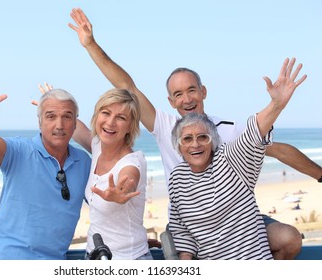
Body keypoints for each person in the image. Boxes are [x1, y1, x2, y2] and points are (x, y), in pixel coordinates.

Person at [67, 8, 322, 259]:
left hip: (235, 221)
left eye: (192, 90)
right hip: (188, 224)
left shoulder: (229, 128)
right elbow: (127, 87)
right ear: (170, 101)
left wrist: (320, 175)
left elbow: (278, 150)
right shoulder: (165, 127)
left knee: (288, 238)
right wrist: (90, 45)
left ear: (204, 92)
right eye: (178, 94)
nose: (186, 99)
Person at [168, 58, 306, 259]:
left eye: (203, 137)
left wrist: (276, 104)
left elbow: (254, 132)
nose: (195, 144)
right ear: (179, 147)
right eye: (187, 139)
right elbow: (182, 232)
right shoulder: (177, 178)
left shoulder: (231, 160)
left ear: (213, 141)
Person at [0, 66, 91, 259]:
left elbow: (103, 206)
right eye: (51, 116)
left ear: (75, 123)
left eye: (67, 117)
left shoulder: (84, 162)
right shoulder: (19, 151)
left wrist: (131, 240)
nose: (59, 125)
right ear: (39, 121)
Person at [38, 84, 153, 260]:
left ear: (130, 126)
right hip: (94, 254)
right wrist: (52, 104)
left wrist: (121, 192)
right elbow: (73, 126)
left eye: (121, 117)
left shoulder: (132, 161)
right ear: (97, 115)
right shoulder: (98, 145)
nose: (110, 122)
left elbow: (129, 178)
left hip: (128, 259)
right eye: (106, 113)